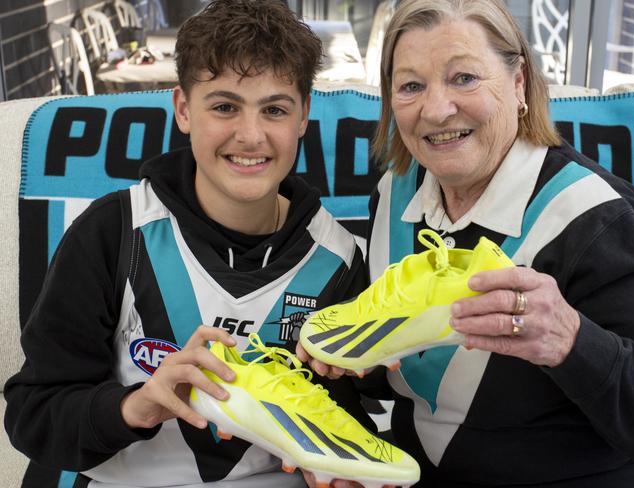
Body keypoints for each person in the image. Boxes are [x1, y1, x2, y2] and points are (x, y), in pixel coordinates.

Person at [3, 1, 372, 487]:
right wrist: (136, 405)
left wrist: (343, 465)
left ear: (303, 116)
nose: (250, 135)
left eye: (275, 109)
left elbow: (344, 420)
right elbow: (33, 415)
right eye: (224, 106)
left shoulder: (338, 259)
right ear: (182, 109)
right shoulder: (114, 231)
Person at [298, 0, 634, 486]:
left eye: (464, 78)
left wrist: (569, 341)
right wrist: (344, 368)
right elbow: (404, 375)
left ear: (519, 83)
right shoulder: (396, 191)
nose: (437, 109)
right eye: (411, 86)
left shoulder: (598, 220)